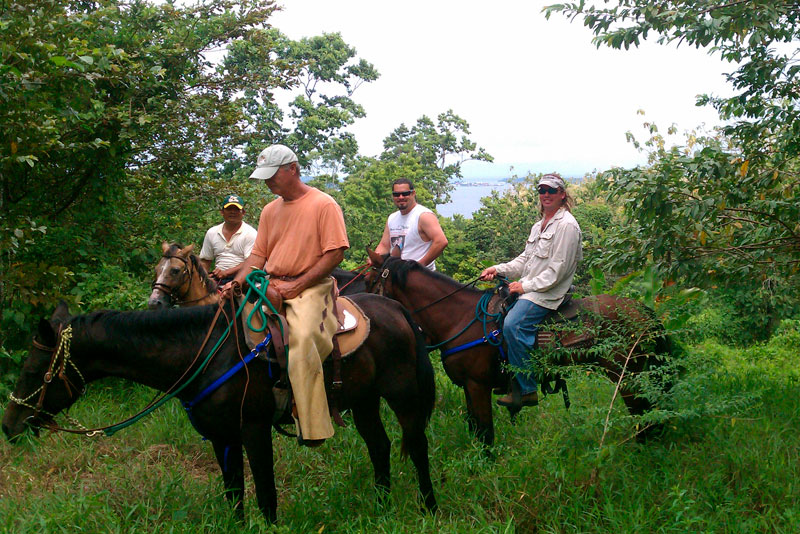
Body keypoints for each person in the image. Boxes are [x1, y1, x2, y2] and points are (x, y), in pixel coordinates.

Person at [226, 144, 349, 447]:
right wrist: (235, 283)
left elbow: (335, 253)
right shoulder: (270, 210)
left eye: (272, 176)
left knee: (304, 337)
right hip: (271, 284)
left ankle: (312, 426)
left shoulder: (324, 204)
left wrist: (297, 286)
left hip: (311, 287)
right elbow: (257, 256)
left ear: (292, 169)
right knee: (228, 325)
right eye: (265, 177)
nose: (268, 183)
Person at [479, 173, 582, 408]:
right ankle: (507, 376)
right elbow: (525, 261)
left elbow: (558, 271)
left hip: (548, 292)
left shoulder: (567, 226)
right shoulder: (539, 226)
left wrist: (524, 286)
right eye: (542, 190)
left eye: (551, 190)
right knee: (494, 314)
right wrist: (497, 268)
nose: (546, 194)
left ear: (562, 194)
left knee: (513, 324)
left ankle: (527, 389)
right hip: (533, 287)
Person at [373, 178, 448, 270]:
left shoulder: (424, 215)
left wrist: (419, 266)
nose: (401, 197)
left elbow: (441, 241)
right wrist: (374, 258)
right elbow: (384, 245)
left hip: (420, 278)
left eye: (405, 193)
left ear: (413, 193)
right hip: (396, 276)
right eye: (396, 194)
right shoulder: (392, 218)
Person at [198, 194, 258, 286]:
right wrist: (202, 279)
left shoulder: (250, 233)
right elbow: (205, 260)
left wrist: (226, 272)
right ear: (222, 212)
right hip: (218, 279)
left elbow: (251, 263)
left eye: (237, 209)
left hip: (244, 279)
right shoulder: (212, 232)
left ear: (243, 212)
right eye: (229, 209)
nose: (233, 212)